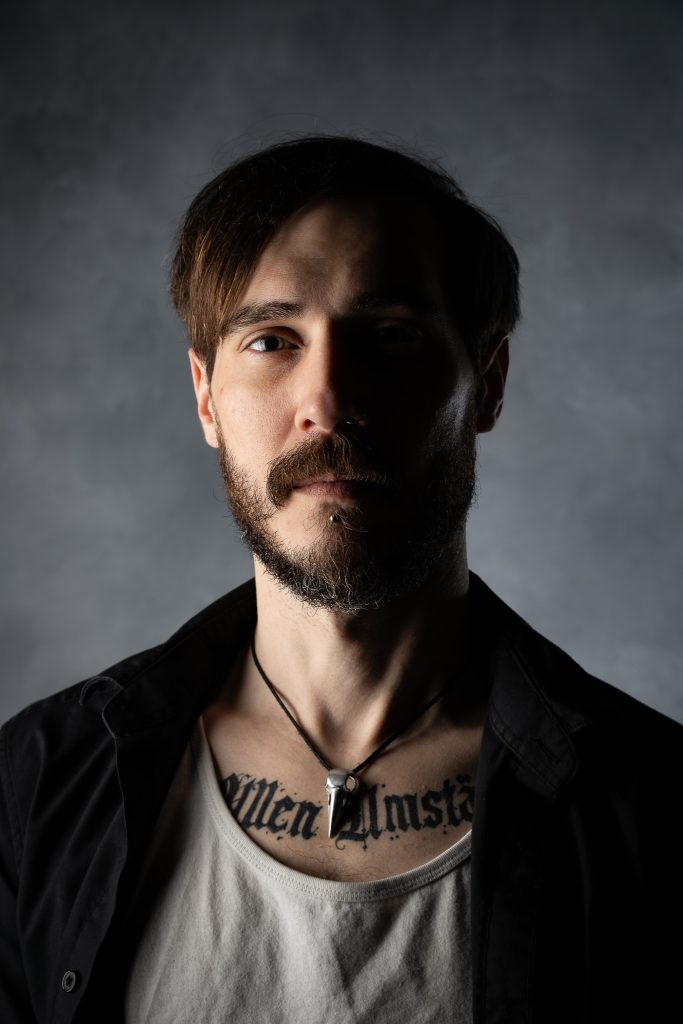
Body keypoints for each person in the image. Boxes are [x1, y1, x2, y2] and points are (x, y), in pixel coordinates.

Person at [0, 136, 681, 1024]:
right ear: (206, 397)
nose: (326, 397)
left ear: (488, 383)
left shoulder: (654, 816)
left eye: (390, 338)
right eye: (272, 340)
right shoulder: (41, 783)